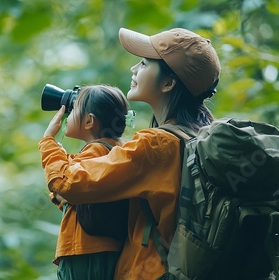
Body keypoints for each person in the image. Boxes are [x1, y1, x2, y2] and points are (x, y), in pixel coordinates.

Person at [39, 27, 220, 279]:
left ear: (168, 83)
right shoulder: (199, 135)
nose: (133, 69)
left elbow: (68, 182)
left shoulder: (157, 145)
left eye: (145, 63)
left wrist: (48, 141)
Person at [42, 84, 131, 280]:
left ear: (89, 121)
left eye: (73, 110)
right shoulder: (113, 149)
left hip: (84, 252)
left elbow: (63, 183)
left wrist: (48, 141)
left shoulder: (97, 151)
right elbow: (68, 189)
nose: (67, 115)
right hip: (102, 251)